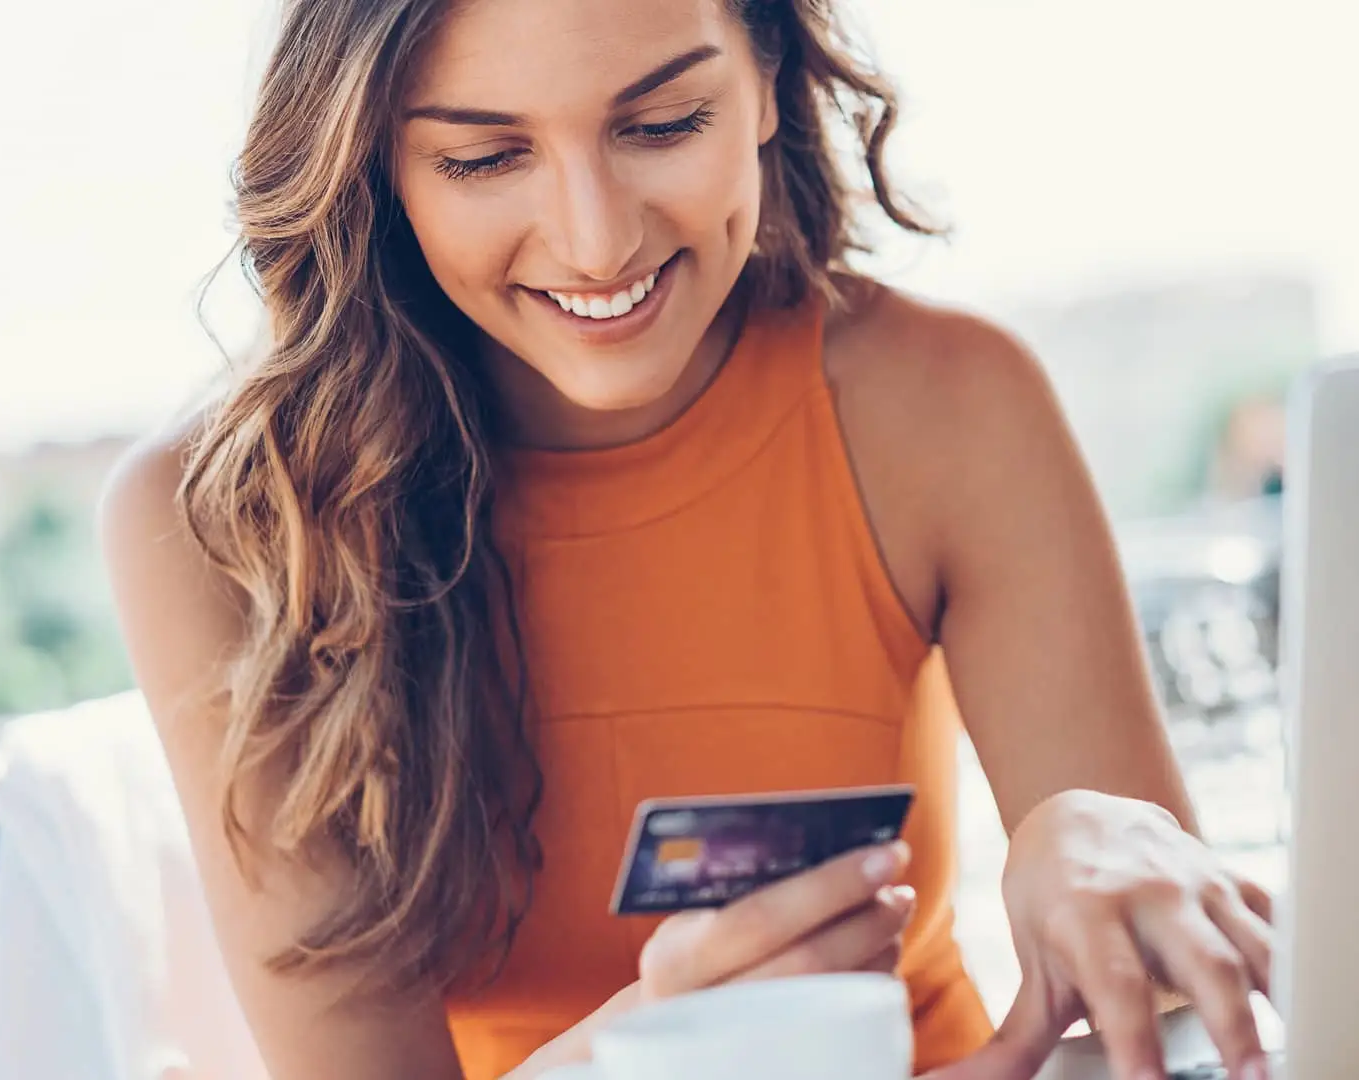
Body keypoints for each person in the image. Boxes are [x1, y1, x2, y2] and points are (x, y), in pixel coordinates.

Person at [99, 1, 1276, 1079]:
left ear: (765, 78)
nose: (597, 240)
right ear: (377, 164)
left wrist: (1094, 832)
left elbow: (1174, 1009)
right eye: (484, 157)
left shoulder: (946, 404)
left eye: (663, 124)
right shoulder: (221, 525)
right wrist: (648, 1057)